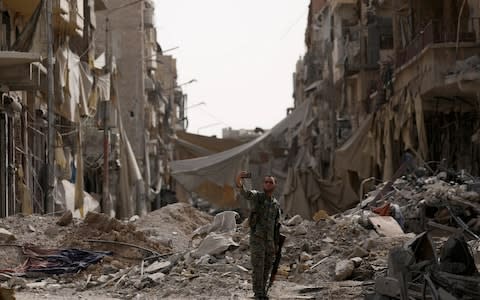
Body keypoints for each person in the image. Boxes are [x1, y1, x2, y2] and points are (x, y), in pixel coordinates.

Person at [235, 171, 281, 300]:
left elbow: (277, 225)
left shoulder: (276, 204)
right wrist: (239, 179)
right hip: (258, 238)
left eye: (270, 182)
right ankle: (258, 293)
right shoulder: (258, 197)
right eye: (266, 182)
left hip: (270, 240)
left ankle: (263, 292)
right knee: (258, 266)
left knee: (267, 266)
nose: (267, 184)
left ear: (275, 185)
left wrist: (276, 244)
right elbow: (245, 193)